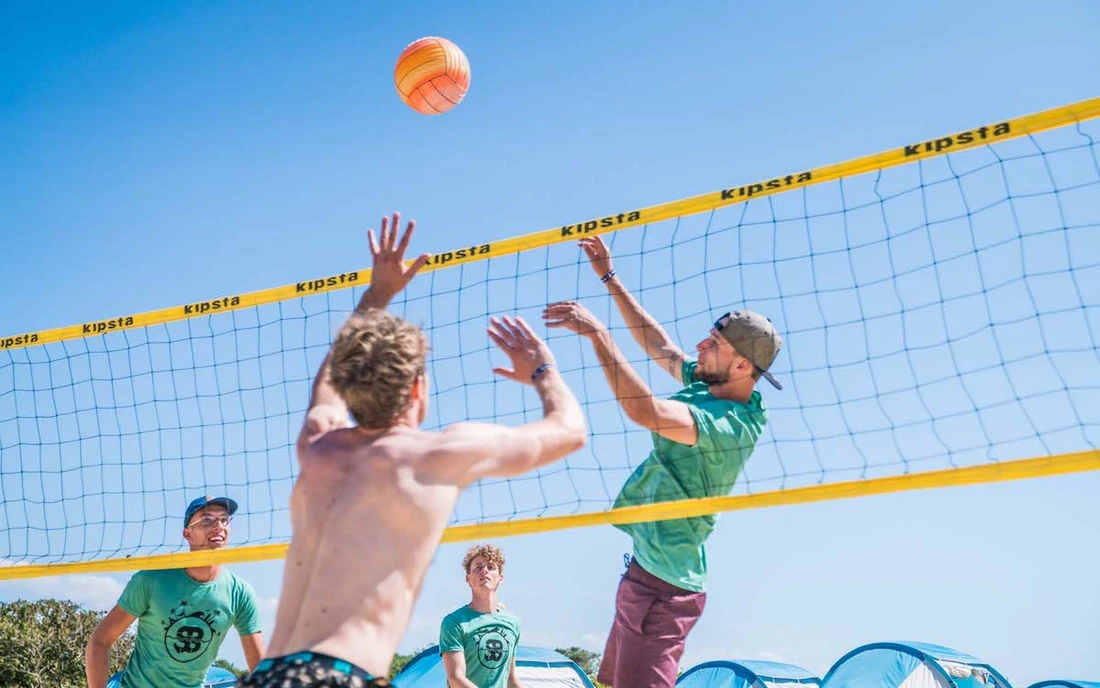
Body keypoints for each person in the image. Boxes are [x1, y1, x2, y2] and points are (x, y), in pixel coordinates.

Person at [240, 213, 586, 687]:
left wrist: (376, 295)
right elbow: (570, 431)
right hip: (338, 675)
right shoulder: (436, 455)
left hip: (267, 677)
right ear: (419, 389)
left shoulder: (318, 445)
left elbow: (329, 381)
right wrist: (543, 370)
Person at [542, 236, 782, 688]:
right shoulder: (711, 385)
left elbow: (644, 411)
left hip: (665, 590)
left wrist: (599, 336)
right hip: (646, 573)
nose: (699, 346)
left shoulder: (729, 423)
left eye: (713, 343)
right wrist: (609, 279)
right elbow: (662, 347)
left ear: (741, 367)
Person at [86, 495, 265, 688]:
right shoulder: (151, 580)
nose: (218, 526)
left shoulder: (240, 593)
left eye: (223, 519)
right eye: (207, 520)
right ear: (187, 534)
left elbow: (259, 666)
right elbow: (100, 642)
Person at [440, 544, 525, 688]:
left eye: (491, 567)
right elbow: (455, 677)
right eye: (478, 567)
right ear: (468, 578)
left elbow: (510, 678)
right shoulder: (454, 622)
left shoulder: (512, 623)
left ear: (500, 578)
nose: (484, 571)